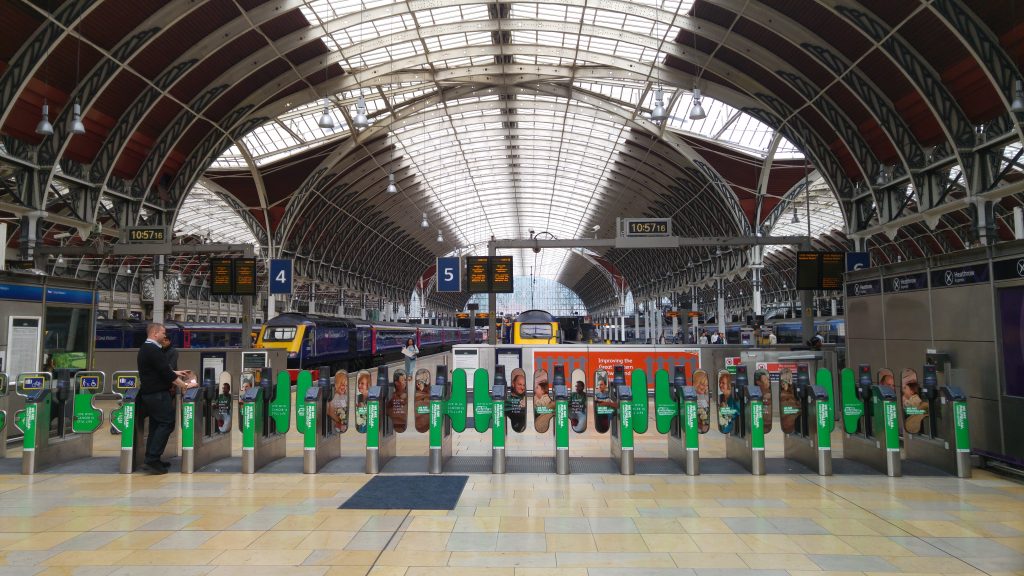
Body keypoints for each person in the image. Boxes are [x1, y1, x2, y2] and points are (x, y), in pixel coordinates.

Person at [136, 323, 196, 474]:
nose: (165, 335)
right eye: (163, 332)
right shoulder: (153, 349)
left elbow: (158, 368)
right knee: (167, 423)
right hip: (157, 394)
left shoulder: (146, 348)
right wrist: (184, 385)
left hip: (150, 394)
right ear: (155, 333)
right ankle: (152, 459)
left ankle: (152, 458)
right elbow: (166, 374)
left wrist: (177, 371)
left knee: (156, 425)